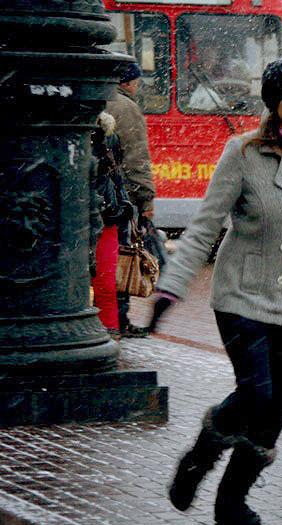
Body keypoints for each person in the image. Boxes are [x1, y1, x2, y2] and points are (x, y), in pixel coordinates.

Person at [148, 58, 282, 525]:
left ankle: (231, 501)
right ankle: (199, 457)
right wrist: (171, 287)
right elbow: (205, 226)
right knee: (257, 392)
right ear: (274, 105)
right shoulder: (243, 152)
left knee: (277, 407)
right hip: (242, 294)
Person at [105, 62, 157, 338]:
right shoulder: (126, 108)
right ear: (127, 82)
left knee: (103, 258)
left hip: (96, 194)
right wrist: (146, 199)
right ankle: (119, 319)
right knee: (123, 256)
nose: (138, 86)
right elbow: (137, 160)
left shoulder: (98, 99)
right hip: (118, 198)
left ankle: (108, 316)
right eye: (137, 81)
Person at [89, 112, 133, 339]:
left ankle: (109, 328)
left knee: (105, 280)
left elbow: (115, 174)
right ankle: (107, 327)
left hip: (105, 215)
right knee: (103, 280)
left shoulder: (107, 135)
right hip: (90, 216)